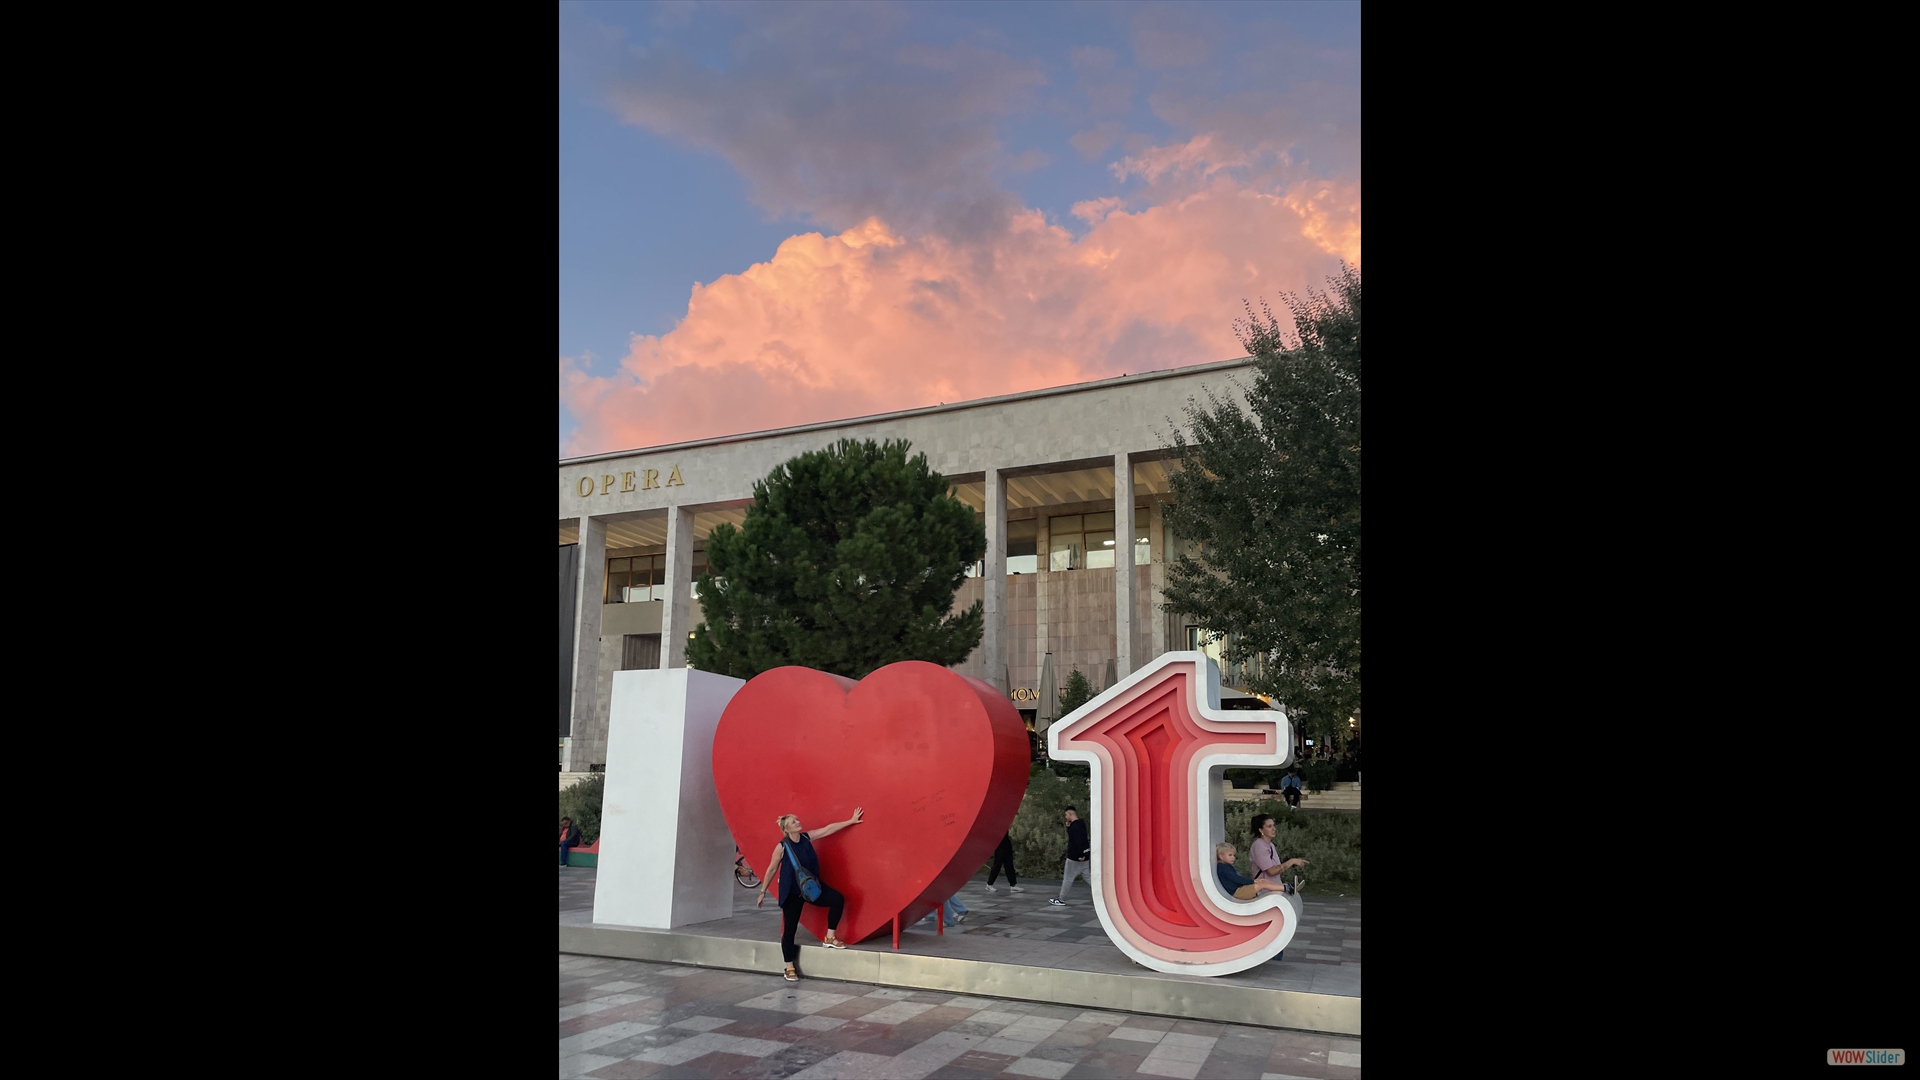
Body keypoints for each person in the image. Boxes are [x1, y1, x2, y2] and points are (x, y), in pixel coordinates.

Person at [756, 808, 864, 982]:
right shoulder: (782, 847)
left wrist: (850, 821)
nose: (798, 822)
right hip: (792, 893)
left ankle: (830, 937)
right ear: (787, 829)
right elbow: (772, 869)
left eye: (797, 819)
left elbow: (828, 829)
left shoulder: (806, 837)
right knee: (790, 930)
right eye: (794, 822)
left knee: (837, 899)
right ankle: (789, 967)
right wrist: (763, 891)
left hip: (810, 888)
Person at [1248, 814, 1309, 892]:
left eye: (1273, 825)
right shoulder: (1259, 846)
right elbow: (1272, 871)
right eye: (1269, 826)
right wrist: (1292, 861)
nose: (1274, 829)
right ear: (1261, 830)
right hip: (1265, 893)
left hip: (1274, 891)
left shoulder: (1270, 845)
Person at [1048, 806, 1090, 906]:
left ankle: (1061, 899)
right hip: (1085, 856)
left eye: (1066, 815)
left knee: (1068, 879)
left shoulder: (1074, 827)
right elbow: (1083, 839)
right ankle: (1103, 894)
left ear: (1070, 814)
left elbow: (1075, 841)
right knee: (1088, 876)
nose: (1066, 817)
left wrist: (1079, 855)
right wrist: (1085, 854)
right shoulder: (1081, 824)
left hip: (1075, 858)